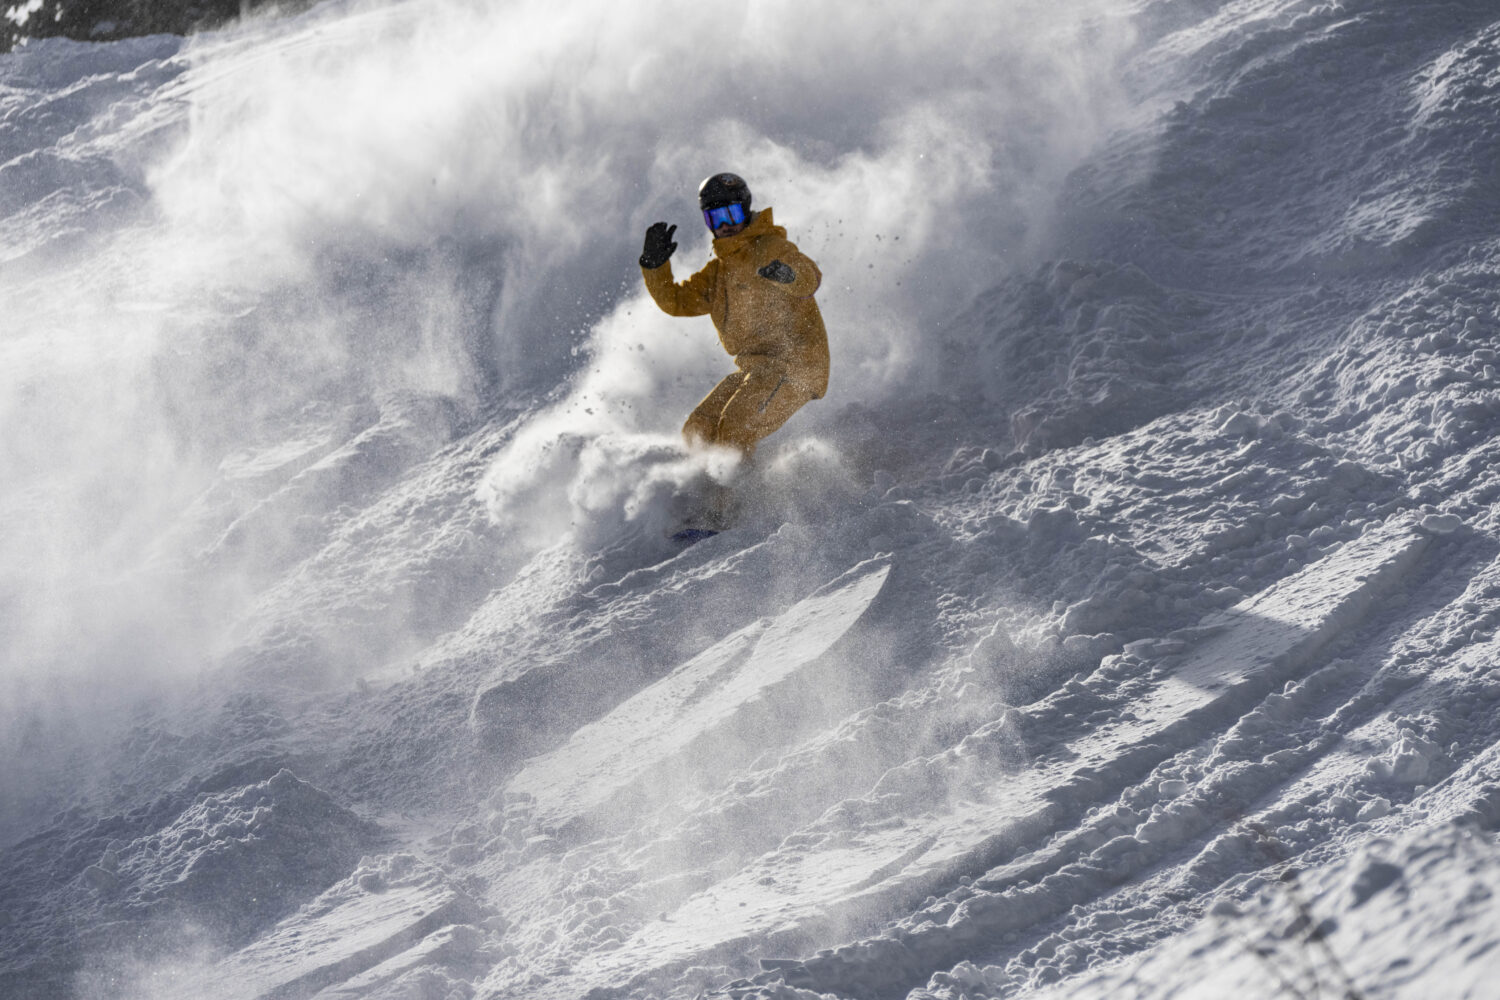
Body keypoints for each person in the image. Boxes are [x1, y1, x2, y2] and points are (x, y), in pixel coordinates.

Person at [639, 173, 829, 528]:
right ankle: (702, 500)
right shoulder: (719, 271)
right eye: (715, 218)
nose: (725, 226)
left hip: (797, 367)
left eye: (731, 215)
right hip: (756, 371)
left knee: (737, 425)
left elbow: (810, 276)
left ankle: (729, 509)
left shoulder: (770, 248)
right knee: (699, 427)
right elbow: (677, 301)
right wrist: (655, 266)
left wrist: (788, 276)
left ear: (746, 211)